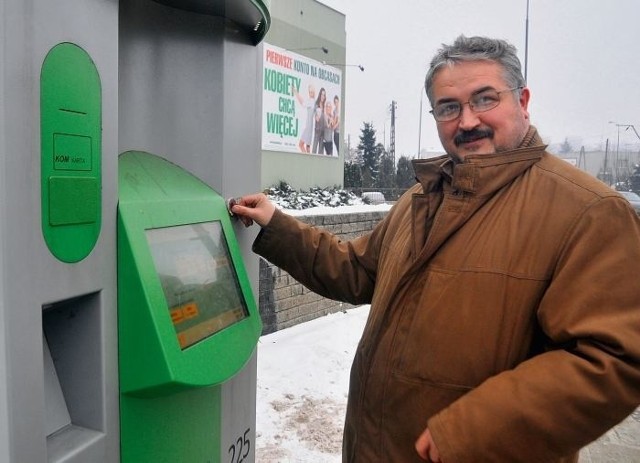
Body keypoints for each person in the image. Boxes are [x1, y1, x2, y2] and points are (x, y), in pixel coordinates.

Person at [232, 35, 640, 462]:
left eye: (484, 99)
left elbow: (611, 361)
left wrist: (474, 427)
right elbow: (357, 271)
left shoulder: (589, 211)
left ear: (523, 99)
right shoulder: (422, 197)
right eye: (448, 107)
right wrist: (277, 225)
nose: (466, 121)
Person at [292, 83, 316, 153]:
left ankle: (308, 160)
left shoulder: (311, 101)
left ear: (314, 92)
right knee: (307, 147)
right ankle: (308, 161)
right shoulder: (313, 101)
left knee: (301, 144)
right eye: (310, 92)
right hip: (309, 126)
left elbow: (302, 102)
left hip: (308, 127)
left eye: (312, 92)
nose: (311, 94)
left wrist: (296, 92)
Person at [312, 87, 327, 154]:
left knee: (321, 152)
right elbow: (314, 112)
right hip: (317, 130)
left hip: (323, 132)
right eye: (322, 94)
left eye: (324, 95)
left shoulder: (324, 105)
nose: (323, 96)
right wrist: (316, 116)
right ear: (319, 94)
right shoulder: (316, 103)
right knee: (314, 149)